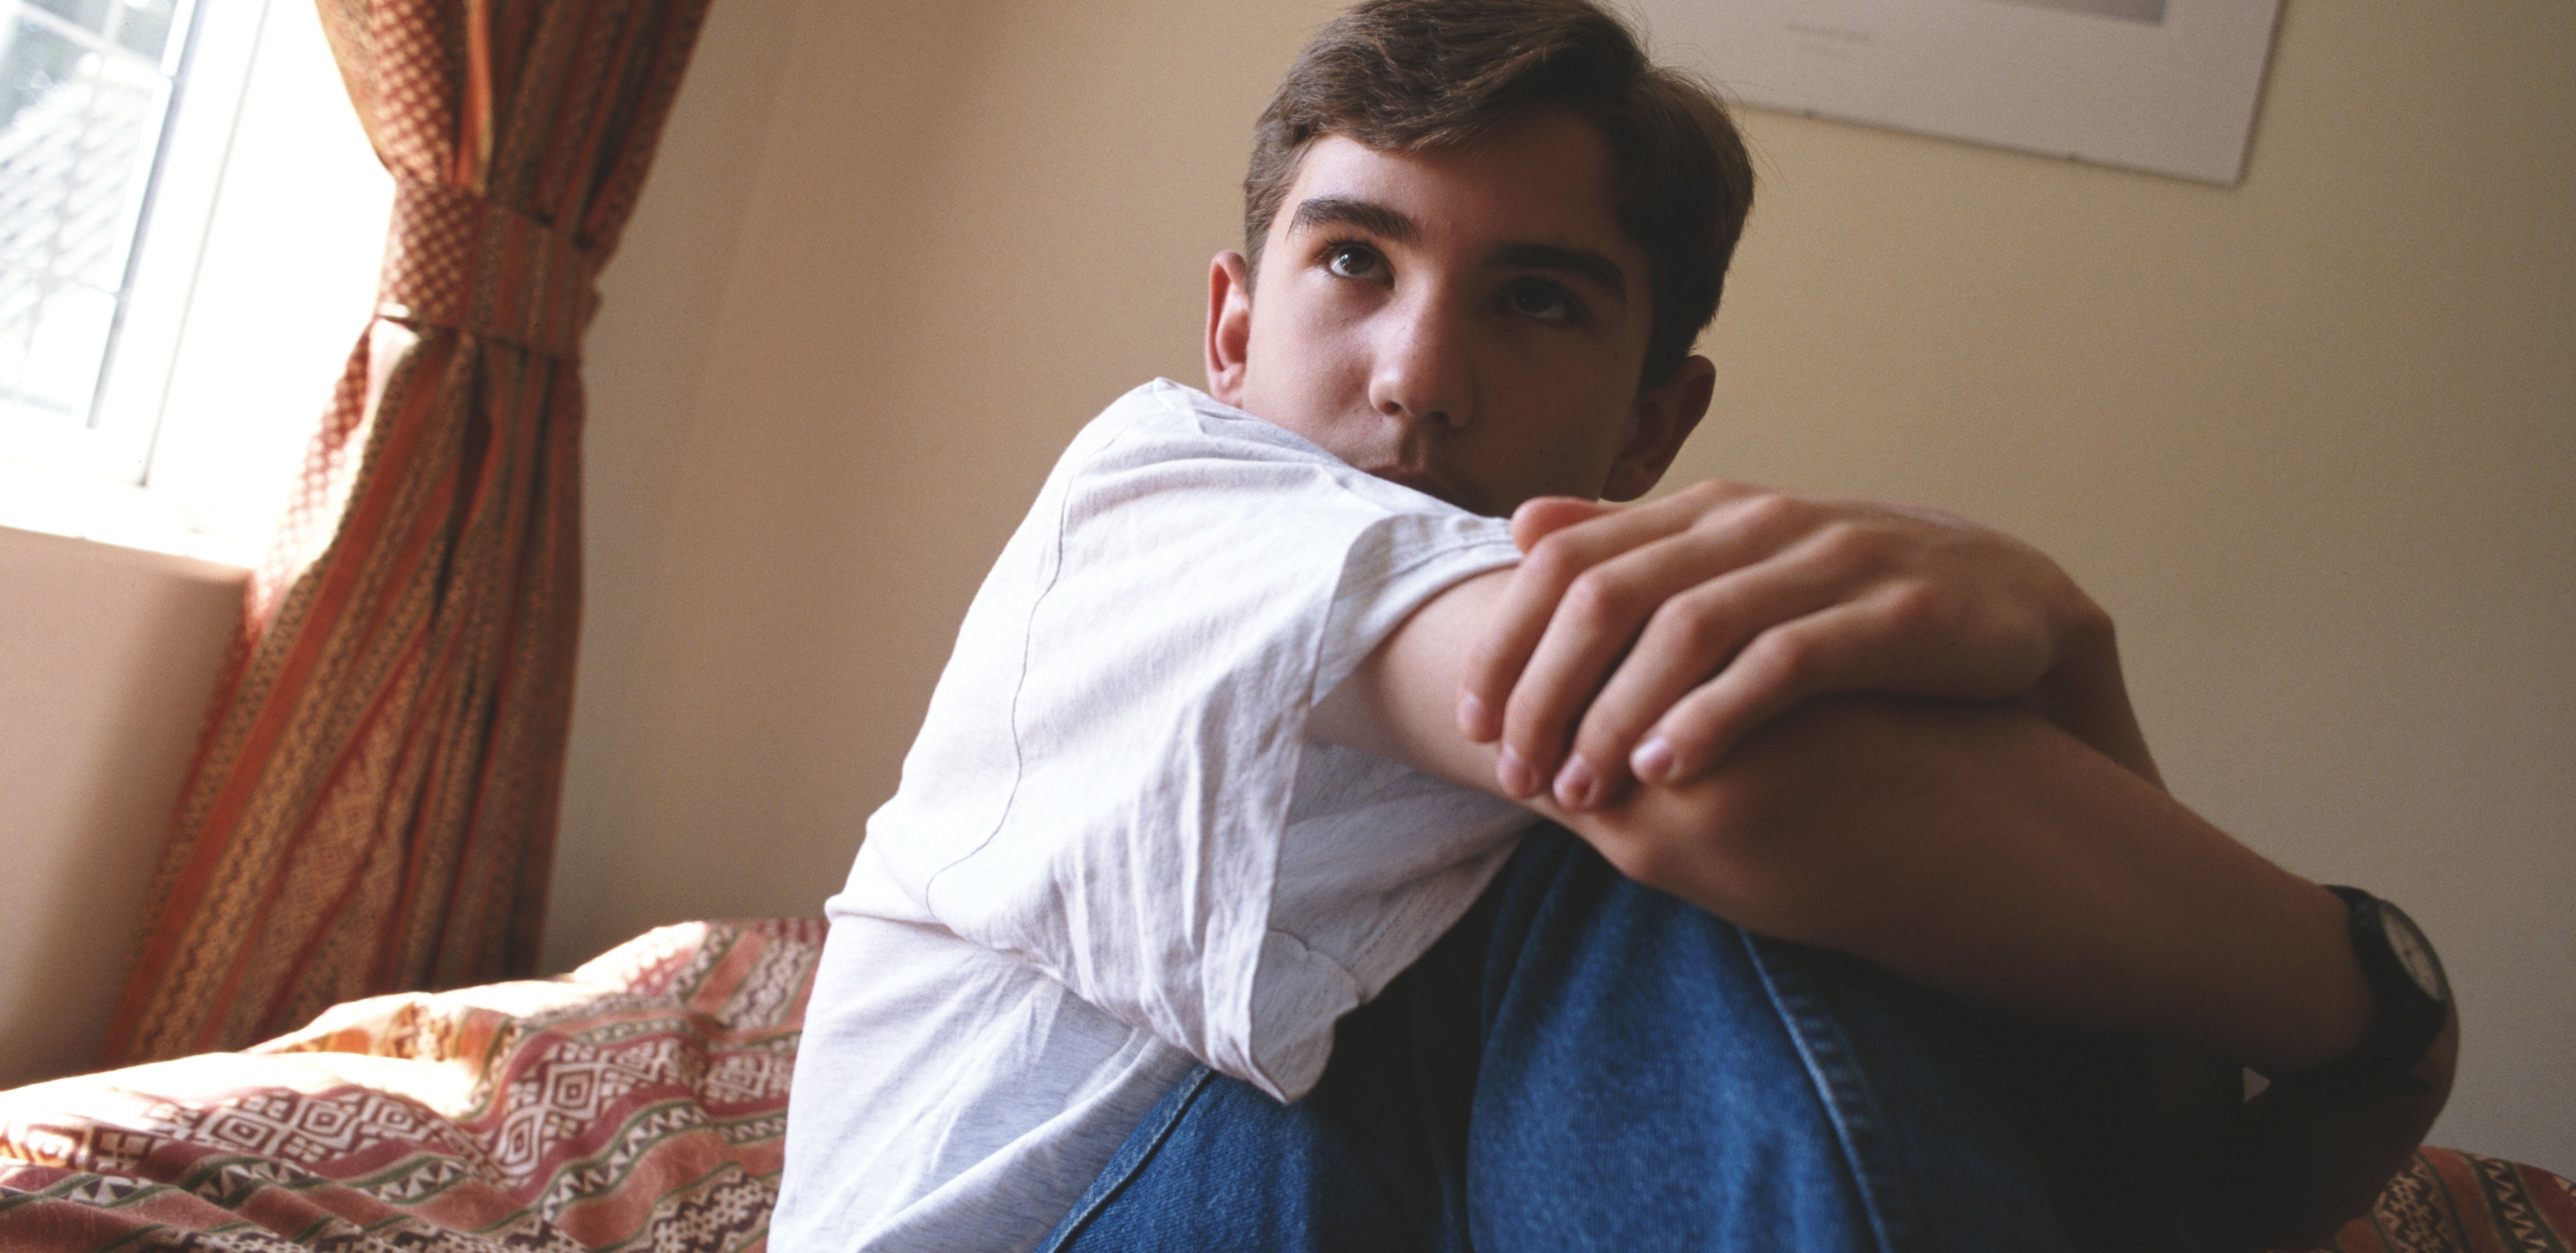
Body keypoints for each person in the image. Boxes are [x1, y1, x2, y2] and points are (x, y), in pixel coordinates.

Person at [771, 1, 2459, 1249]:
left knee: (1901, 864)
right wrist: (2381, 1012)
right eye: (1354, 261)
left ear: (1656, 420)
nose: (1422, 374)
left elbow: (2181, 1166)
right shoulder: (1156, 499)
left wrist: (2075, 654)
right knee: (1673, 777)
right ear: (1231, 329)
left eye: (1536, 299)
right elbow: (1703, 782)